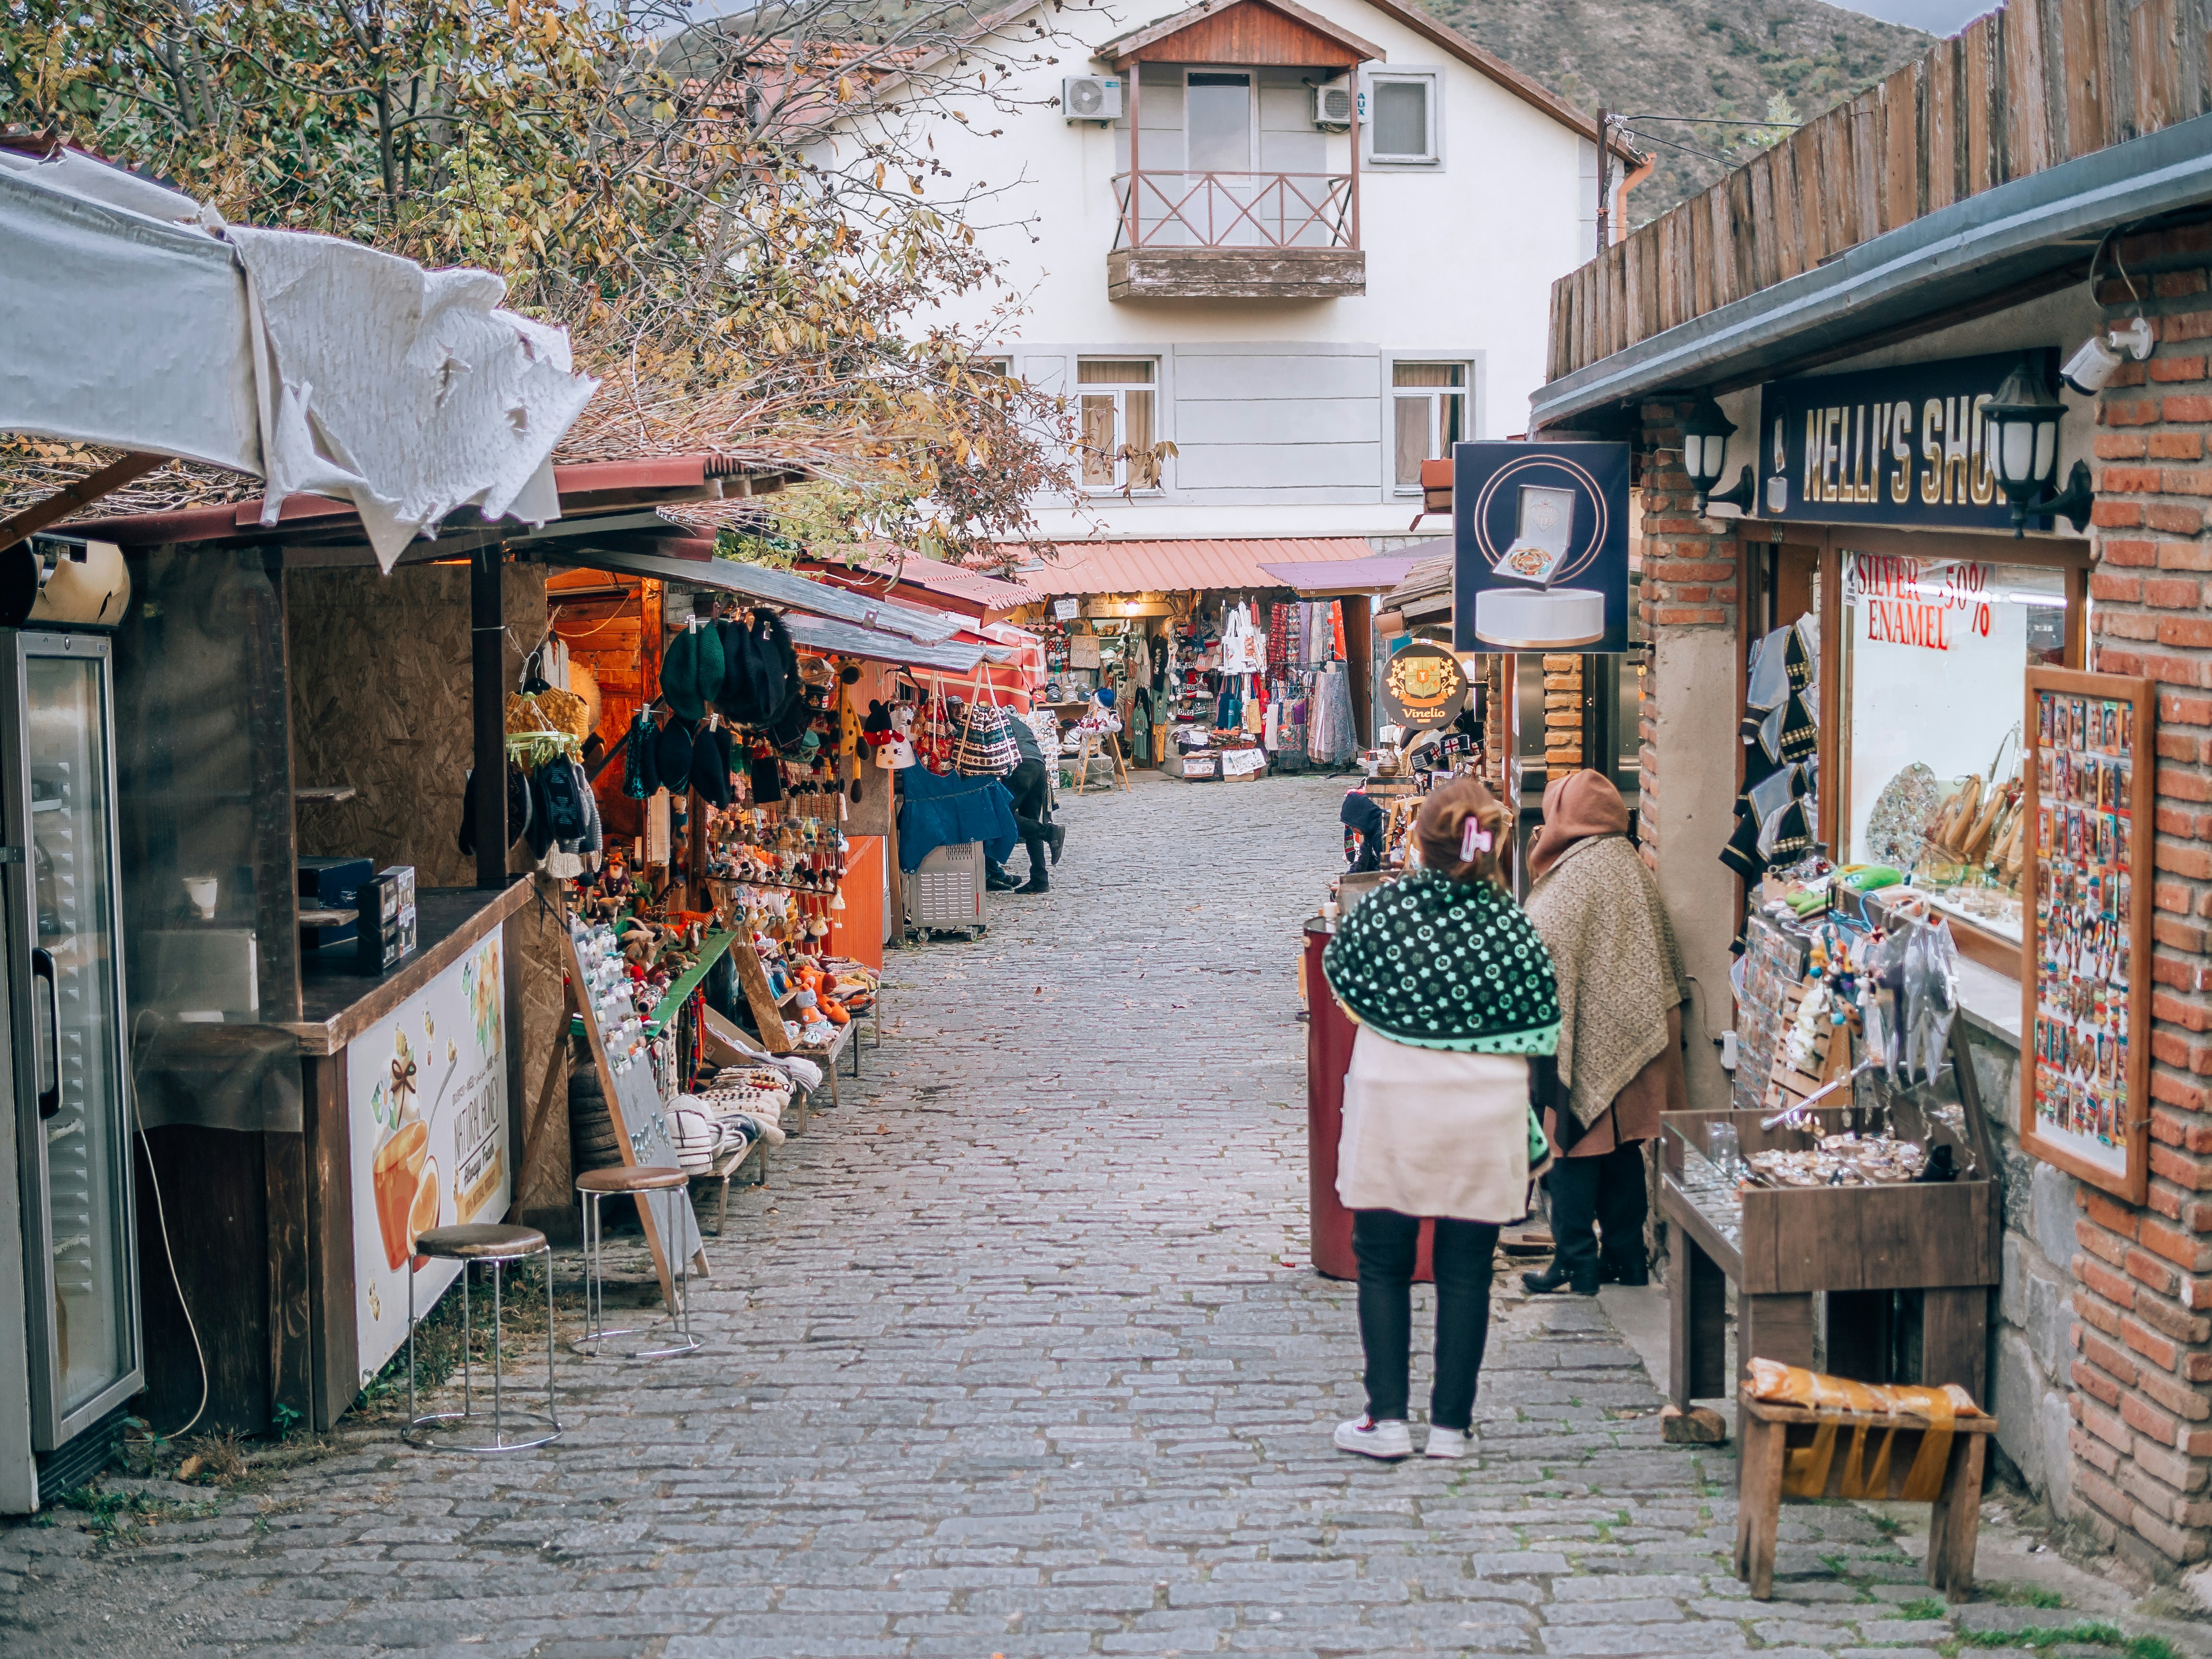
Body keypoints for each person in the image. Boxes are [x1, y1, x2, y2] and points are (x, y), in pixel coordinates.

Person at [1321, 778, 1561, 1460]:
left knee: (1384, 1260)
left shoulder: (1386, 909)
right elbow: (1543, 1026)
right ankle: (1451, 1427)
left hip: (1395, 1095)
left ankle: (1387, 1420)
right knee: (1466, 1267)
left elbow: (1342, 976)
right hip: (1485, 1105)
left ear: (1422, 843)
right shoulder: (1509, 922)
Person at [1518, 769, 1689, 1297]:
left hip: (1581, 1038)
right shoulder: (1628, 863)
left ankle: (1575, 1262)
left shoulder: (1575, 875)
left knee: (1567, 1148)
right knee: (1619, 1152)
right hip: (1639, 1037)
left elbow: (1540, 944)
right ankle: (1627, 1257)